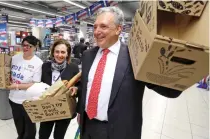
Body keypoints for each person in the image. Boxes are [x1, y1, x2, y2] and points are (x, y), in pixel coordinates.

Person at [76, 7, 182, 139]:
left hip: (119, 131)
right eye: (95, 26)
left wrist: (178, 62)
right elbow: (86, 87)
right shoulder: (87, 56)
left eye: (103, 26)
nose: (97, 31)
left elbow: (169, 90)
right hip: (88, 128)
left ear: (118, 29)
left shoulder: (135, 56)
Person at [39, 39, 79, 139]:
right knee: (43, 135)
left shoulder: (73, 68)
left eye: (63, 52)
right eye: (57, 51)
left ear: (67, 54)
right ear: (53, 52)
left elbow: (80, 85)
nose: (59, 55)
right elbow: (38, 85)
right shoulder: (45, 66)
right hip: (47, 107)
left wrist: (76, 88)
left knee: (59, 136)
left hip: (64, 109)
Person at [8, 35, 43, 139]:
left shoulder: (38, 63)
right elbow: (8, 74)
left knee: (30, 129)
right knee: (19, 125)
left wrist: (17, 86)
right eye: (24, 45)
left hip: (28, 101)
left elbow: (35, 84)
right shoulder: (15, 58)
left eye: (29, 46)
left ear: (35, 47)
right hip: (13, 99)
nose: (26, 48)